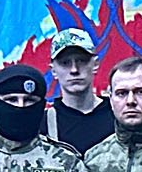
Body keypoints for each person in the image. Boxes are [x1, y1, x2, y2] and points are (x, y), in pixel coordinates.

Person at [46, 27, 116, 155]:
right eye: (65, 62)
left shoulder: (118, 114)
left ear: (95, 64)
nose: (74, 70)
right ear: (53, 70)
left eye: (81, 61)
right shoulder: (44, 123)